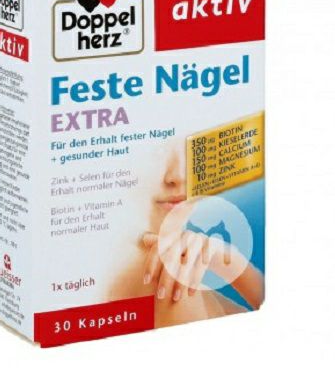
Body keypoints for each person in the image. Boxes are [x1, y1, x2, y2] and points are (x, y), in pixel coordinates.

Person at [108, 138, 264, 328]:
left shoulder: (180, 270)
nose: (180, 176)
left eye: (193, 146)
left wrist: (227, 260)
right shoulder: (170, 277)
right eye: (158, 150)